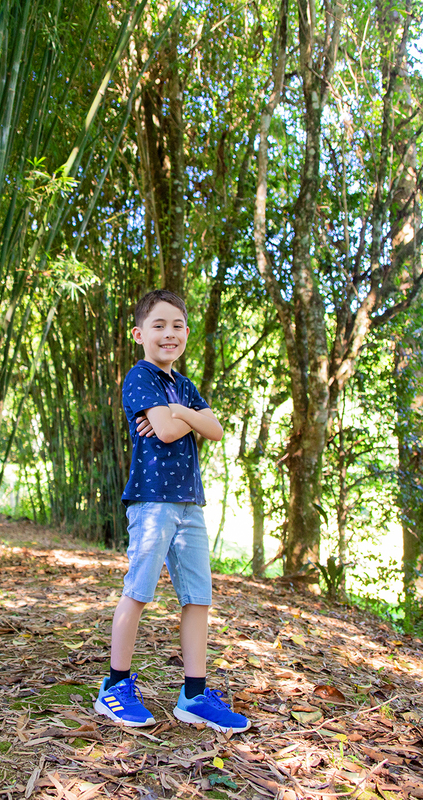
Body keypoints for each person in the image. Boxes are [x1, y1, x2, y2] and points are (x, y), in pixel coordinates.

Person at [92, 289, 251, 734]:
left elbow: (215, 430)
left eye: (177, 325)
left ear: (186, 332)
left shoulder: (183, 386)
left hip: (189, 504)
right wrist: (185, 419)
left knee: (198, 598)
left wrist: (179, 410)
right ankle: (114, 687)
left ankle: (194, 695)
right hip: (153, 501)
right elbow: (162, 431)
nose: (169, 333)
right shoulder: (139, 376)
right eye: (159, 325)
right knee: (139, 591)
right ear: (139, 334)